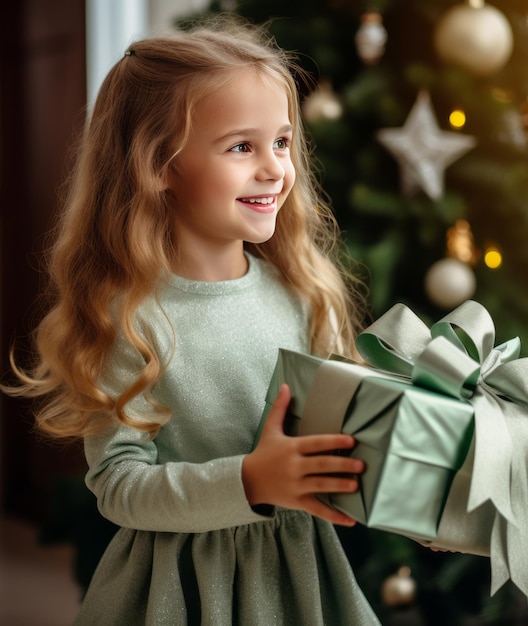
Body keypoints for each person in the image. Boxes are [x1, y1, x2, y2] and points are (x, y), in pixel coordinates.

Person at [5, 15, 381, 625]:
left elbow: (348, 445)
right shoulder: (128, 321)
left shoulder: (304, 295)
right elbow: (121, 488)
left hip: (302, 582)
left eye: (282, 142)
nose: (274, 168)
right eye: (241, 146)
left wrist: (424, 502)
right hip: (176, 593)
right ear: (159, 165)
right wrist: (251, 480)